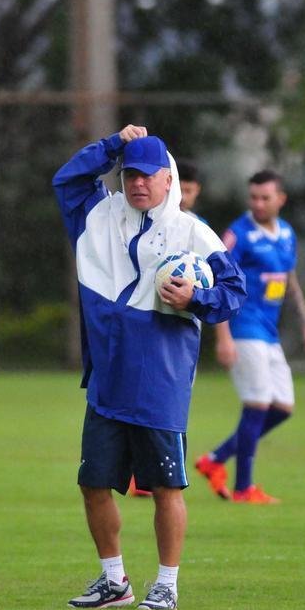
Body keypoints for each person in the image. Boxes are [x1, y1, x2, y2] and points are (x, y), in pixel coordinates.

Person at [53, 124, 246, 610]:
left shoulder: (192, 233)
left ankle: (167, 583)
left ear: (168, 180)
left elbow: (234, 292)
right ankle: (114, 581)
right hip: (107, 378)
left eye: (148, 175)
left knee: (165, 487)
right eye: (130, 173)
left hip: (160, 381)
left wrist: (196, 296)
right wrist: (112, 145)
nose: (138, 183)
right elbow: (67, 180)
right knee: (93, 483)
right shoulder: (97, 214)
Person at [195, 169, 305, 504]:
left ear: (281, 199)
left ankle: (215, 459)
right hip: (242, 327)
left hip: (268, 332)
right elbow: (215, 280)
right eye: (253, 197)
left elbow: (289, 280)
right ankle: (243, 488)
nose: (259, 203)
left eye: (265, 197)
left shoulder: (287, 234)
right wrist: (222, 335)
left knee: (283, 406)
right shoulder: (238, 234)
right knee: (258, 404)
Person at [127, 159, 208, 499]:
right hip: (148, 327)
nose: (183, 196)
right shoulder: (141, 224)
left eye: (189, 190)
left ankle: (153, 467)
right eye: (181, 189)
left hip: (184, 327)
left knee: (171, 398)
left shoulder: (198, 230)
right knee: (143, 395)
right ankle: (137, 472)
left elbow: (218, 281)